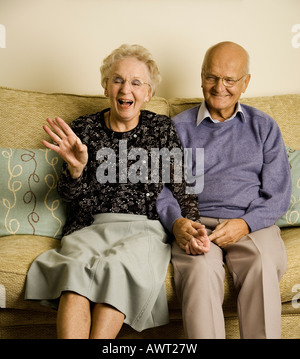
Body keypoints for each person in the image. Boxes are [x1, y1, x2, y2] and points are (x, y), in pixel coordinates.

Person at [24, 44, 203, 339]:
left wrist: (191, 224)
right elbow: (68, 196)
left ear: (148, 93)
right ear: (106, 85)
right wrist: (76, 170)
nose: (125, 89)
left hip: (143, 230)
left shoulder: (161, 128)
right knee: (74, 278)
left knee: (118, 270)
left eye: (136, 82)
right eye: (117, 79)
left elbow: (183, 187)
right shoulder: (83, 128)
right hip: (88, 228)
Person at [156, 41, 292, 339]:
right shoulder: (175, 129)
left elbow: (279, 192)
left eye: (230, 79)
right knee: (201, 274)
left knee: (261, 264)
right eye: (211, 77)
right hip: (196, 225)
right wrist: (177, 223)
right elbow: (161, 189)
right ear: (201, 76)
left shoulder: (264, 126)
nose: (220, 87)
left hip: (252, 225)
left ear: (245, 83)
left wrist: (245, 224)